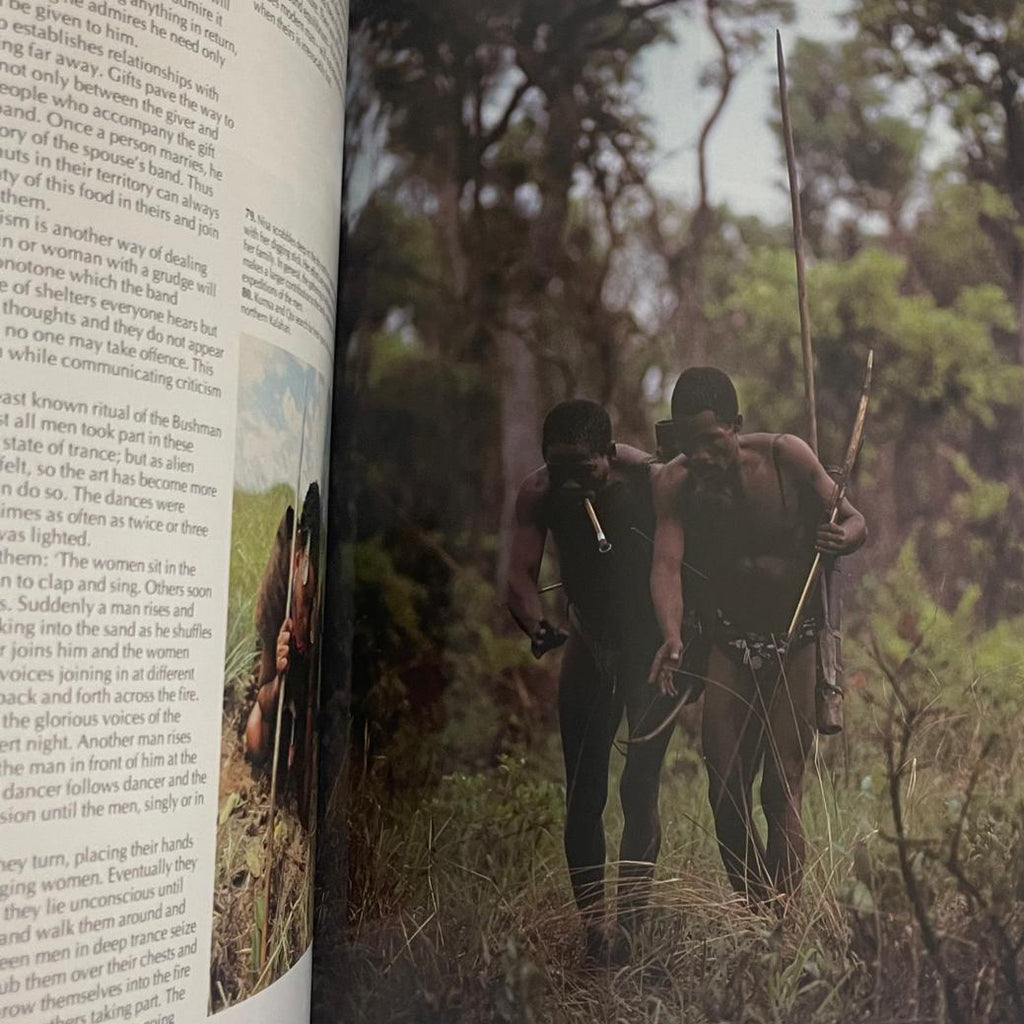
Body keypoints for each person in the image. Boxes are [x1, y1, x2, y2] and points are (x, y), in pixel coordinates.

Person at [648, 368, 866, 903]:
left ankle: (784, 924)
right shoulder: (675, 485)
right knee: (724, 787)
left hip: (797, 638)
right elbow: (666, 564)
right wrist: (672, 635)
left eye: (709, 441)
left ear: (735, 426)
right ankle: (755, 906)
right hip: (729, 641)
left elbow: (857, 519)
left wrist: (842, 537)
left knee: (781, 788)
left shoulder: (785, 456)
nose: (698, 456)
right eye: (686, 443)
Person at [506, 400, 677, 963]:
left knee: (638, 787)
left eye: (588, 469)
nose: (575, 484)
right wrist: (536, 623)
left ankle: (632, 924)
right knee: (584, 793)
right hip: (588, 643)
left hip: (649, 654)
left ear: (611, 453)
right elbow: (520, 577)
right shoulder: (538, 493)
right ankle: (594, 932)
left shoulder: (649, 479)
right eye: (562, 471)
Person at [245, 481, 322, 829]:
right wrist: (279, 676)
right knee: (256, 737)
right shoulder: (274, 613)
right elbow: (262, 709)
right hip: (278, 709)